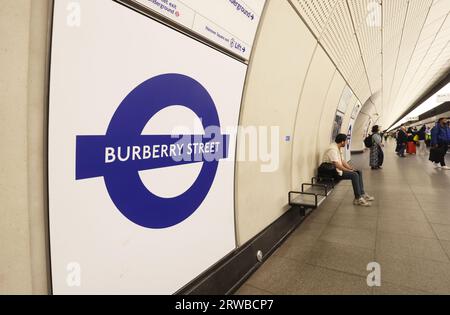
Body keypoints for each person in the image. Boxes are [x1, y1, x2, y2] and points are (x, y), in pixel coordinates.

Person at [323, 134, 375, 207]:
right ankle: (358, 198)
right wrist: (348, 170)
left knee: (358, 171)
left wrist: (350, 168)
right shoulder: (332, 150)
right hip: (333, 172)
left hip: (337, 170)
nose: (347, 142)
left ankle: (362, 193)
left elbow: (343, 161)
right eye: (346, 141)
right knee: (354, 175)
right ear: (342, 142)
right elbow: (336, 164)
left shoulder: (338, 147)